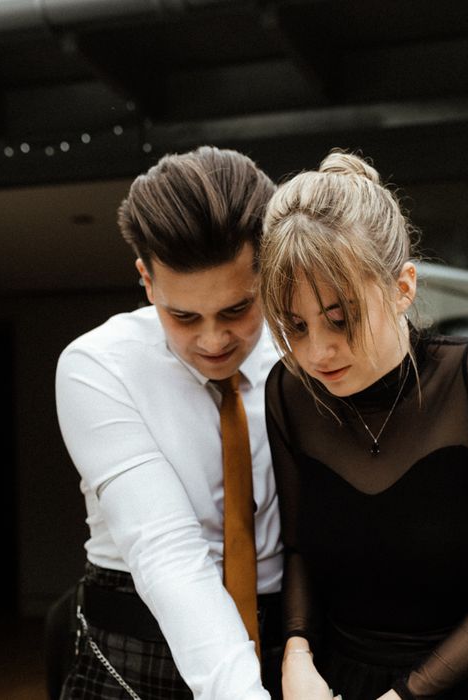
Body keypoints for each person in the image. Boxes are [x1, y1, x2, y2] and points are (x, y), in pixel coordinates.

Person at [259, 151, 468, 699]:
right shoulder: (290, 391)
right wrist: (296, 653)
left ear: (404, 287)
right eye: (295, 325)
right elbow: (298, 551)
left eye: (341, 318)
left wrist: (403, 696)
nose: (318, 351)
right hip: (336, 677)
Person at [55, 146, 283, 699]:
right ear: (147, 280)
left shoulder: (308, 355)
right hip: (134, 642)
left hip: (287, 636)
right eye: (184, 316)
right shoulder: (96, 365)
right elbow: (166, 551)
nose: (213, 340)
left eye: (237, 309)